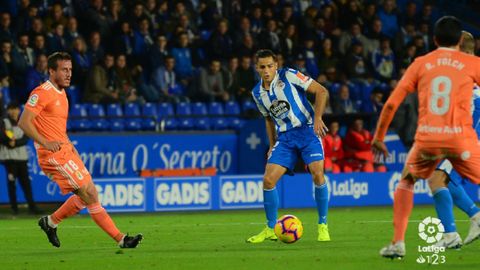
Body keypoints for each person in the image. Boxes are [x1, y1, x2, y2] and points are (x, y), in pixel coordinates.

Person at [372, 17, 480, 258]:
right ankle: (455, 230)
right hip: (462, 138)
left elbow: (391, 104)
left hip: (428, 139)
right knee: (438, 178)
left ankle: (398, 243)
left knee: (407, 180)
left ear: (433, 39)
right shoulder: (473, 65)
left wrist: (379, 136)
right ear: (460, 41)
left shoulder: (421, 63)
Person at [18, 52, 142, 248]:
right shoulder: (41, 93)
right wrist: (45, 142)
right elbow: (24, 122)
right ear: (51, 71)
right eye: (64, 70)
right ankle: (121, 239)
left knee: (88, 193)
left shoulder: (63, 94)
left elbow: (58, 128)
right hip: (51, 155)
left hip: (65, 150)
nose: (68, 74)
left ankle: (50, 222)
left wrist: (71, 148)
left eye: (70, 70)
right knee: (89, 194)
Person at [246, 49, 330, 243]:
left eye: (270, 66)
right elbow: (268, 119)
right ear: (256, 68)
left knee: (317, 173)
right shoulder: (257, 93)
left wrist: (317, 118)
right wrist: (272, 144)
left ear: (276, 65)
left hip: (308, 131)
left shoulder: (289, 75)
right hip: (285, 139)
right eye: (262, 67)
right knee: (268, 180)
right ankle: (269, 228)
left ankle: (322, 225)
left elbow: (321, 91)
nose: (266, 70)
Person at [0, 102, 42, 215]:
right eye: (11, 109)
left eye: (16, 109)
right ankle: (14, 209)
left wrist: (15, 143)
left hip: (22, 158)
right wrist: (9, 143)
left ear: (19, 110)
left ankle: (32, 207)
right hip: (9, 159)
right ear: (8, 111)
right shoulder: (4, 122)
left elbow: (26, 137)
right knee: (12, 184)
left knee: (26, 184)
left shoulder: (23, 122)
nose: (14, 111)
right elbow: (1, 136)